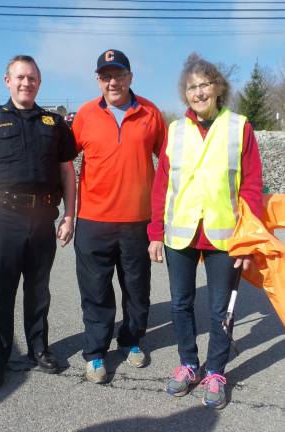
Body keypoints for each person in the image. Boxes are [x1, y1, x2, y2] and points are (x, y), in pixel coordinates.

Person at [148, 53, 263, 409]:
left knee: (219, 310)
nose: (198, 92)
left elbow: (252, 189)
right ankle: (188, 364)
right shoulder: (176, 129)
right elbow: (162, 184)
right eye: (191, 86)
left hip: (224, 235)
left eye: (205, 84)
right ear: (185, 93)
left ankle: (215, 371)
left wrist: (248, 240)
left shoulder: (239, 126)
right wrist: (155, 232)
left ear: (218, 88)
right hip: (179, 235)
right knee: (181, 304)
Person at [0, 55, 77, 391]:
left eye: (33, 78)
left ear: (39, 83)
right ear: (7, 80)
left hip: (42, 218)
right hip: (2, 219)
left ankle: (38, 349)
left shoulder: (54, 123)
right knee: (0, 292)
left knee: (38, 290)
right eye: (20, 77)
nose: (26, 83)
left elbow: (68, 172)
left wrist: (69, 215)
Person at [72, 49, 167, 384]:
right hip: (93, 221)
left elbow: (169, 164)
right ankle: (95, 353)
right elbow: (63, 162)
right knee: (96, 290)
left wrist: (162, 218)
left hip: (137, 222)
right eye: (105, 76)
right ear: (98, 80)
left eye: (119, 74)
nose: (112, 81)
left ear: (130, 77)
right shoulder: (84, 115)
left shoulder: (151, 113)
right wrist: (68, 213)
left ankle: (131, 340)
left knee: (137, 289)